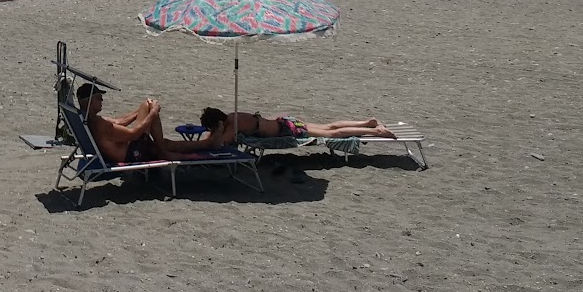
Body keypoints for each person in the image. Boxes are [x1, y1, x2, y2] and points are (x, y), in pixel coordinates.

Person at [77, 84, 237, 165]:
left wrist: (142, 111)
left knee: (162, 138)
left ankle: (203, 143)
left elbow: (120, 122)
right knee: (162, 143)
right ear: (89, 101)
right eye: (99, 98)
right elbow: (134, 134)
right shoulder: (100, 125)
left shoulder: (90, 119)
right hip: (132, 154)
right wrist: (153, 113)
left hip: (130, 148)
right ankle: (169, 151)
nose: (102, 100)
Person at [201, 106, 397, 139]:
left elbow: (221, 143)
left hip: (287, 131)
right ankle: (367, 123)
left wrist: (209, 136)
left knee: (331, 134)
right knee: (328, 126)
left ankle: (375, 132)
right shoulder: (234, 115)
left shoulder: (232, 126)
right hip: (284, 122)